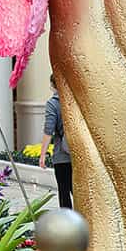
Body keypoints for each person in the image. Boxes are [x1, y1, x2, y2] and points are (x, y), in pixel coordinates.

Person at [39, 75, 73, 209]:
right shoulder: (75, 101)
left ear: (53, 86)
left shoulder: (53, 104)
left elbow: (49, 130)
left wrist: (43, 154)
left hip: (62, 155)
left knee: (64, 193)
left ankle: (68, 225)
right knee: (79, 192)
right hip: (80, 155)